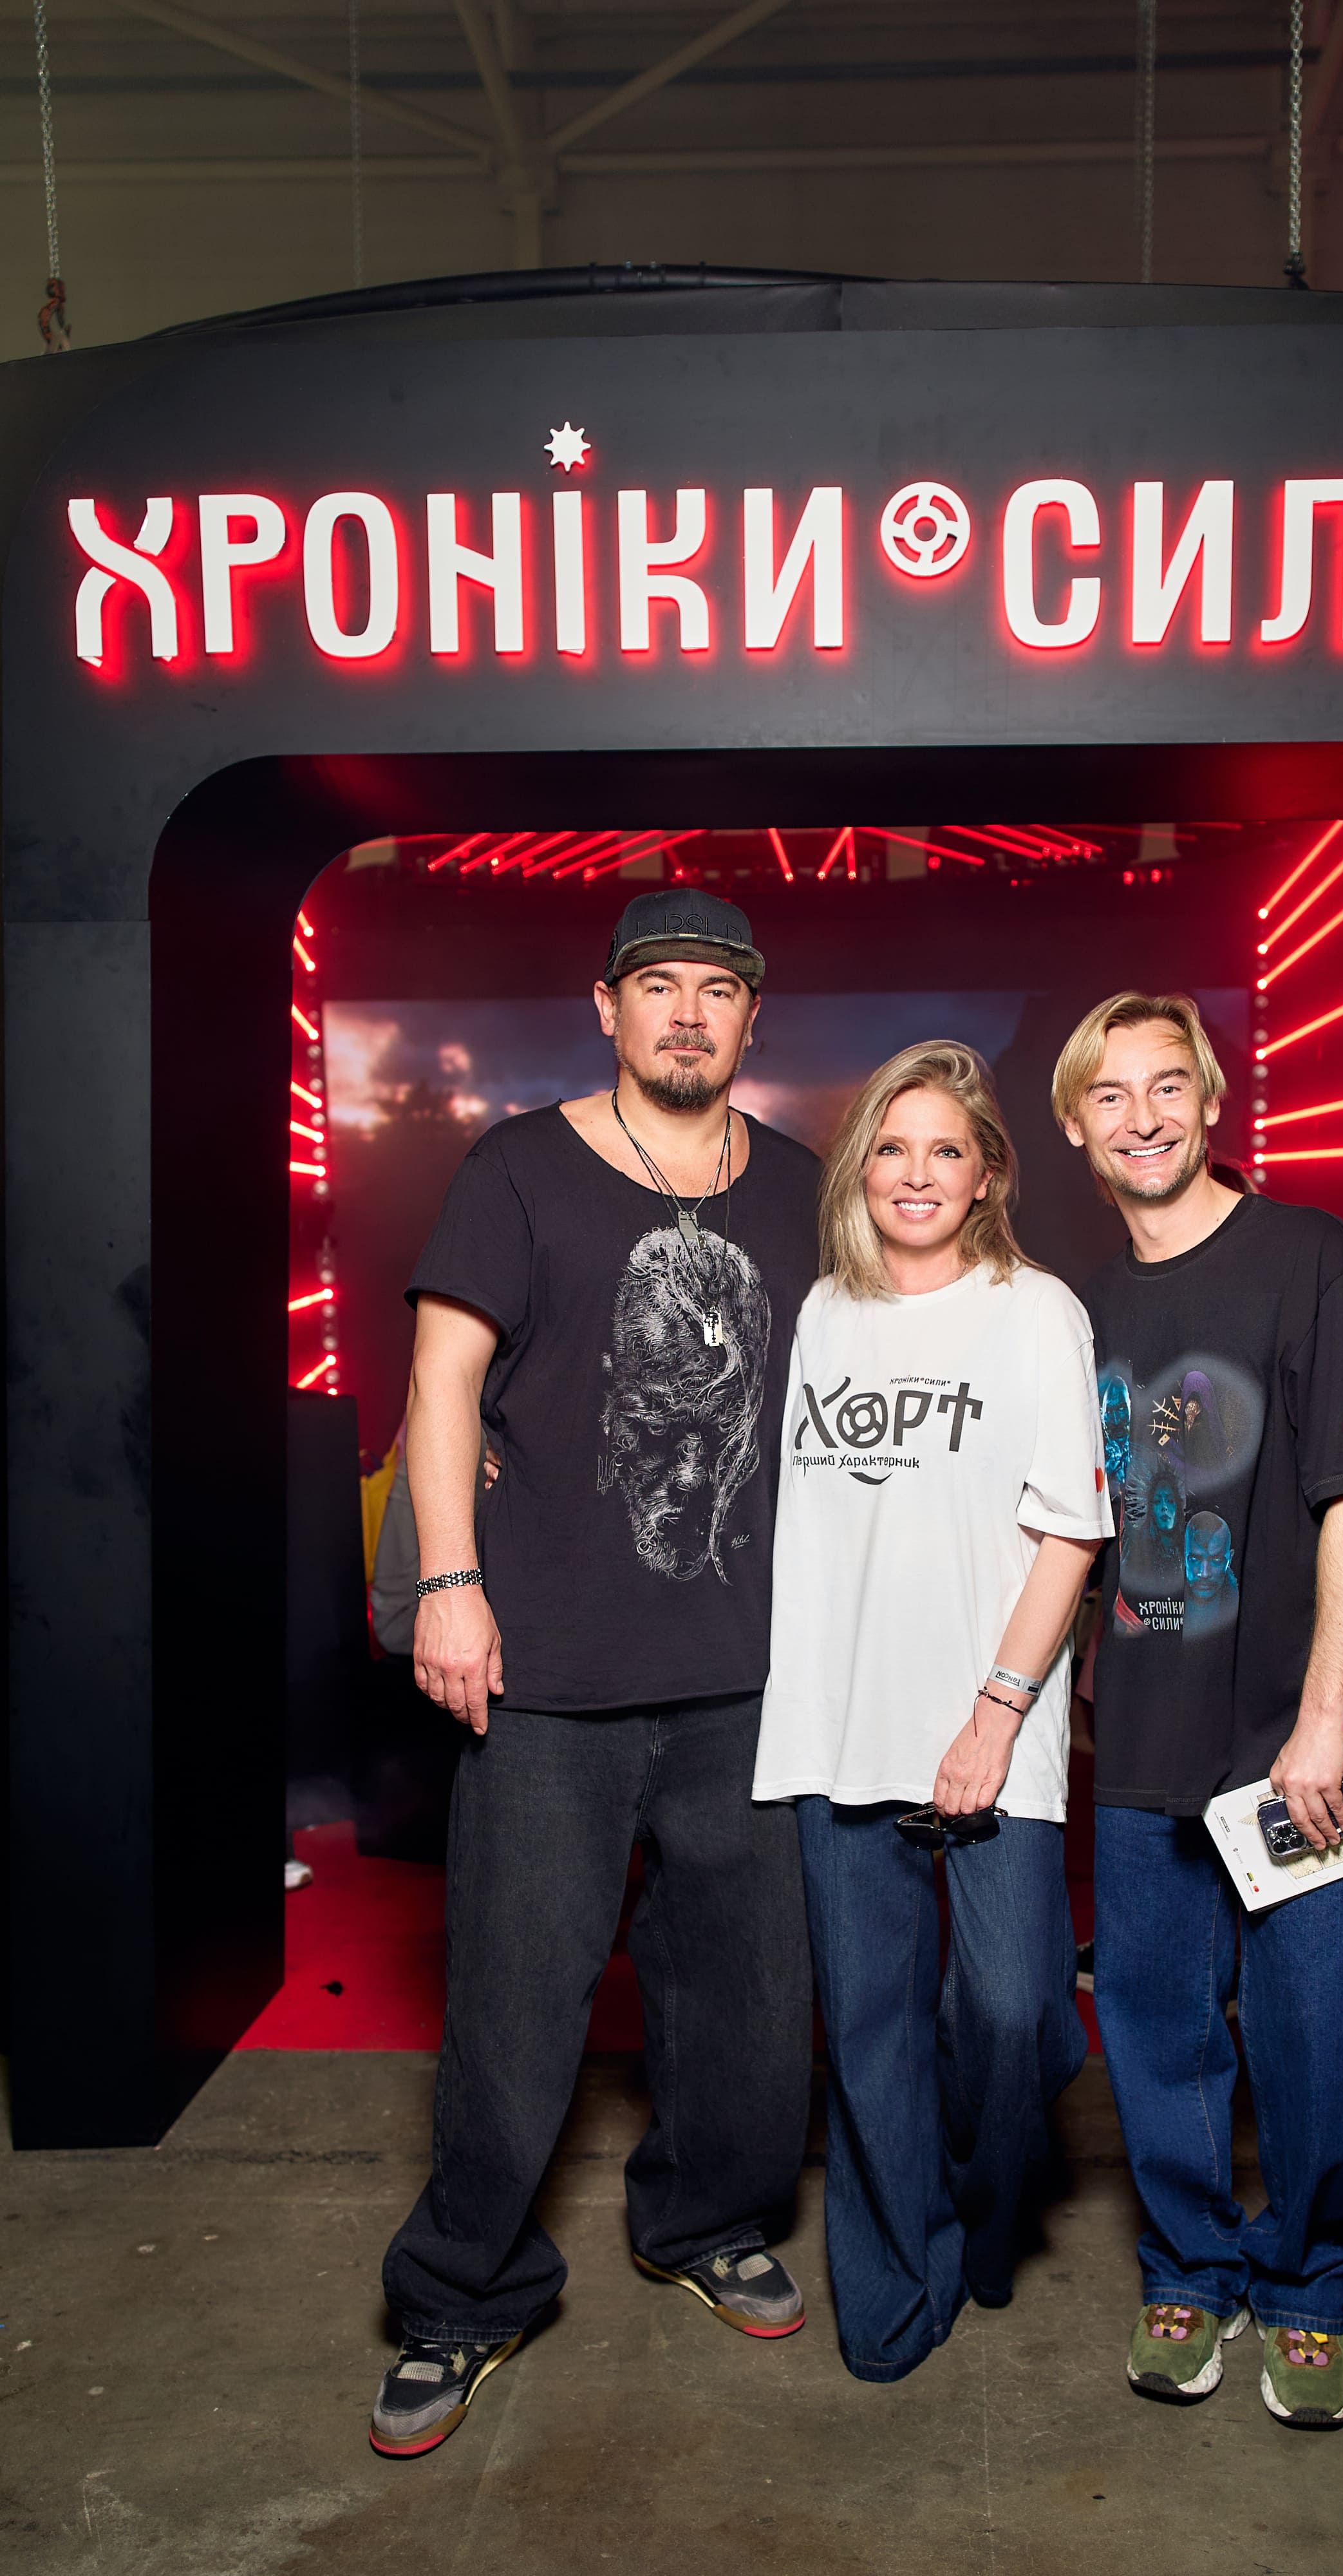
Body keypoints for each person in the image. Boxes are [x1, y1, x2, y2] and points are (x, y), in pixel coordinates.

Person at [370, 890, 820, 2459]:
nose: (688, 1012)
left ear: (750, 1016)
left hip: (749, 1673)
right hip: (544, 1670)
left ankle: (710, 2218)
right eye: (659, 985)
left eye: (717, 989)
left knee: (751, 1999)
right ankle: (461, 2289)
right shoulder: (517, 1166)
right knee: (512, 2005)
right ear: (607, 1007)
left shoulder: (802, 1187)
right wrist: (450, 1583)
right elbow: (442, 1376)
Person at [1054, 992, 1343, 2432]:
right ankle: (1187, 2271)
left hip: (1304, 1743)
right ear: (1075, 1125)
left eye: (1167, 1085)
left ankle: (1310, 2287)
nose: (1141, 1116)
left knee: (1314, 2033)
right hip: (1146, 1742)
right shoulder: (1077, 1308)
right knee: (1157, 2031)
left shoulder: (1313, 1260)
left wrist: (1323, 1716)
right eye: (1109, 1093)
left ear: (1210, 1101)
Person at [753, 1043, 1110, 2382]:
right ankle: (896, 2287)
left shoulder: (1036, 1312)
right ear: (860, 1170)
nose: (916, 1174)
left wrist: (993, 1717)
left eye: (944, 1150)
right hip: (840, 1725)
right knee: (867, 2035)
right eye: (891, 1149)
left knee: (1013, 2012)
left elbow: (1071, 1533)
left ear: (987, 1175)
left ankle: (988, 2202)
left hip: (987, 1732)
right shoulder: (824, 1314)